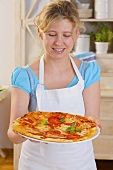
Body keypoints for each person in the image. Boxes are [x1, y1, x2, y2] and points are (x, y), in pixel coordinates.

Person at [7, 0, 101, 169]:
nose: (59, 42)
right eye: (51, 34)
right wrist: (24, 131)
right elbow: (13, 133)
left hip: (80, 163)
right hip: (36, 164)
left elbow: (91, 120)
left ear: (76, 34)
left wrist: (94, 122)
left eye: (66, 35)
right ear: (40, 33)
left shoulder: (89, 72)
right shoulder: (25, 76)